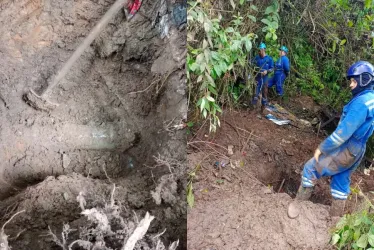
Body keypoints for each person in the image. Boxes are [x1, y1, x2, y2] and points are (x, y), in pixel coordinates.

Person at [288, 61, 374, 219]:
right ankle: (335, 221)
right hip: (358, 150)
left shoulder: (361, 103)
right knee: (341, 180)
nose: (351, 85)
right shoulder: (371, 99)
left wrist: (323, 147)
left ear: (365, 80)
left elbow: (342, 134)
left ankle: (297, 205)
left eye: (354, 81)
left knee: (310, 168)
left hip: (347, 148)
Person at [250, 43, 274, 112]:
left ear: (264, 50)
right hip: (257, 78)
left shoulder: (269, 59)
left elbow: (272, 68)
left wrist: (267, 71)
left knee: (264, 93)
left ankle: (263, 109)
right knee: (255, 93)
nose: (259, 51)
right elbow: (251, 63)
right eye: (259, 50)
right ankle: (253, 108)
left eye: (260, 50)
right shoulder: (257, 57)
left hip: (265, 78)